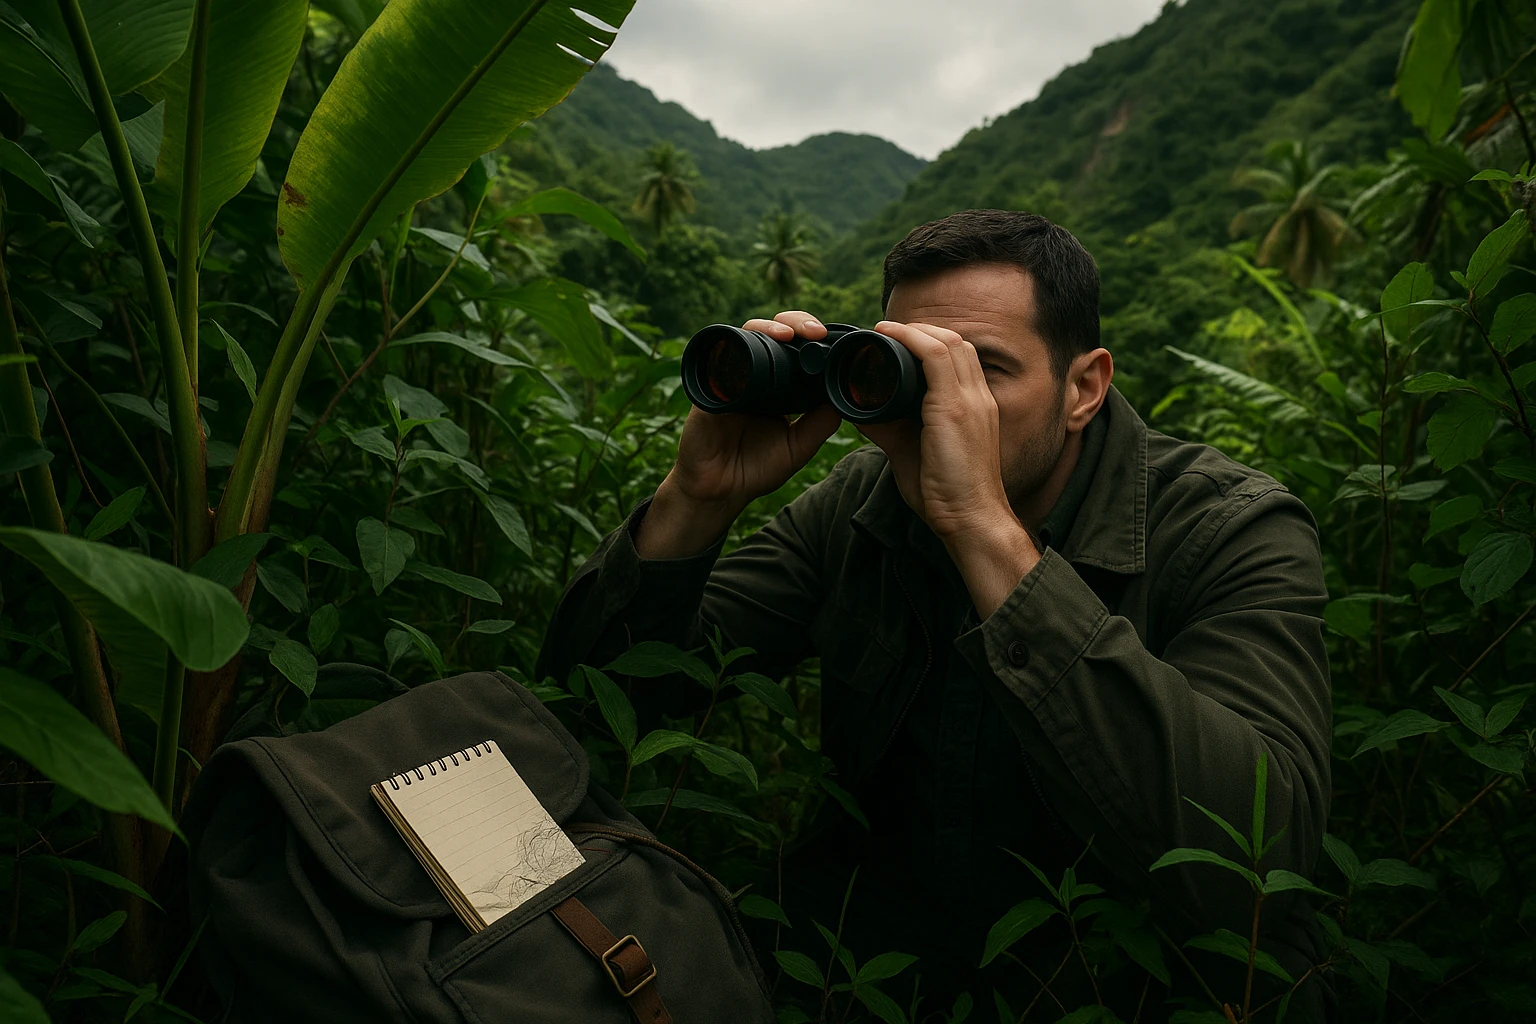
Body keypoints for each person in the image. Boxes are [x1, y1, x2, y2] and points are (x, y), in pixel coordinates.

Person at [537, 209, 1332, 1018]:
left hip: (1114, 983)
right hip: (858, 963)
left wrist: (984, 532)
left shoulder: (1227, 528)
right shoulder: (864, 499)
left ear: (1083, 388)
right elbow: (598, 702)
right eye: (918, 366)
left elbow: (1255, 864)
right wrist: (696, 498)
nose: (941, 408)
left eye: (983, 369)